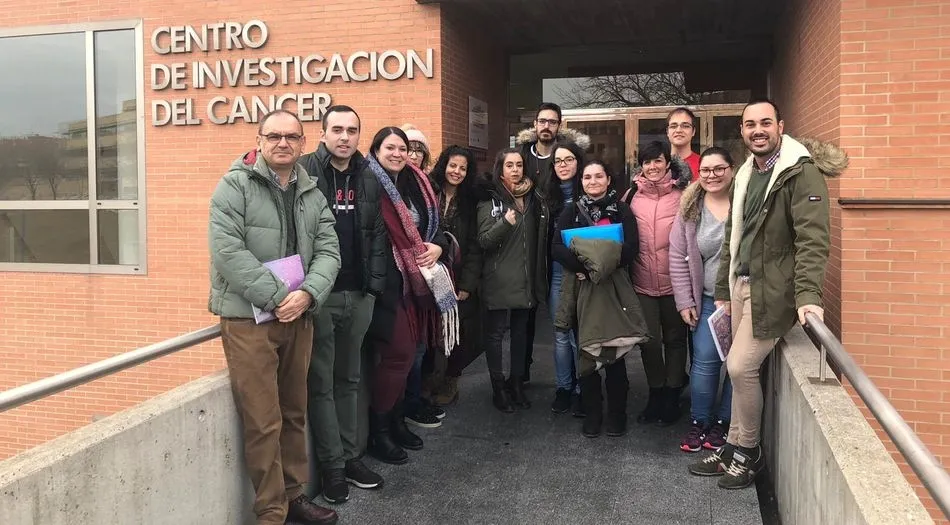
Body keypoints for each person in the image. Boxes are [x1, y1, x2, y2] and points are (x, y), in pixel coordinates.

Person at [688, 98, 844, 489]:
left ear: (780, 126)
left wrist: (808, 295)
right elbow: (733, 236)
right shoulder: (747, 173)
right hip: (741, 284)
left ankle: (750, 450)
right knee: (735, 366)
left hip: (773, 290)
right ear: (742, 131)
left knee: (741, 367)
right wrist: (723, 288)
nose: (758, 130)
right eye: (750, 124)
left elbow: (812, 240)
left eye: (765, 123)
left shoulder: (801, 172)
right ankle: (732, 445)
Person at [208, 109, 341, 525]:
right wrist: (280, 296)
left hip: (298, 316)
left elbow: (329, 251)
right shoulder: (234, 186)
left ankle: (294, 494)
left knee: (294, 411)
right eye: (274, 136)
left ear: (303, 143)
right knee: (263, 421)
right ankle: (271, 512)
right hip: (248, 320)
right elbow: (228, 252)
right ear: (259, 140)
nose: (283, 143)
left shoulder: (312, 192)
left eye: (291, 137)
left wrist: (308, 294)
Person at [299, 105, 386, 505]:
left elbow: (378, 236)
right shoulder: (304, 171)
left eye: (352, 130)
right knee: (321, 384)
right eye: (337, 129)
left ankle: (352, 458)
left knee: (350, 379)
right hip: (320, 296)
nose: (345, 137)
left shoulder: (369, 176)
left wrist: (373, 289)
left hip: (359, 294)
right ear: (323, 133)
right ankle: (332, 466)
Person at [362, 126, 456, 465]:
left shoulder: (418, 182)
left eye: (403, 148)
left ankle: (397, 421)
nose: (398, 153)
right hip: (385, 285)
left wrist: (438, 246)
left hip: (416, 280)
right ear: (376, 150)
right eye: (390, 148)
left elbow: (436, 228)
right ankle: (379, 431)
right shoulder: (367, 182)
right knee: (399, 354)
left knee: (412, 352)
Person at [552, 160, 648, 438]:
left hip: (613, 290)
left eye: (598, 176)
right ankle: (592, 413)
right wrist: (585, 268)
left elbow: (631, 248)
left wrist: (599, 266)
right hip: (581, 290)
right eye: (587, 177)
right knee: (587, 354)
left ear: (608, 179)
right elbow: (556, 248)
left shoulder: (622, 210)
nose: (592, 181)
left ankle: (617, 415)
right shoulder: (571, 211)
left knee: (615, 352)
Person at [514, 102, 588, 383]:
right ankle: (529, 376)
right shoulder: (522, 155)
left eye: (552, 121)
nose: (546, 126)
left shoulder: (581, 181)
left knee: (578, 329)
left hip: (574, 263)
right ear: (534, 124)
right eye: (542, 121)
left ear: (560, 125)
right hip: (536, 253)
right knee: (540, 320)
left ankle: (583, 386)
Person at [669, 147, 736, 453]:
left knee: (739, 366)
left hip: (744, 300)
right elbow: (677, 257)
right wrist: (685, 301)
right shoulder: (690, 208)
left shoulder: (745, 201)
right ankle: (699, 422)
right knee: (705, 362)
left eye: (719, 168)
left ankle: (724, 423)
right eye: (706, 170)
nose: (712, 175)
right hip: (708, 300)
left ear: (732, 169)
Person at [476, 148, 549, 412]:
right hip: (498, 278)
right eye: (510, 165)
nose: (516, 170)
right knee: (495, 335)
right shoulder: (490, 200)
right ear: (500, 170)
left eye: (519, 165)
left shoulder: (534, 198)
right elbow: (484, 240)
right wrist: (505, 223)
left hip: (526, 278)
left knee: (520, 334)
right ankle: (498, 388)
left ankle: (516, 383)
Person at [624, 140, 691, 426]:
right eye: (647, 162)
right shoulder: (631, 195)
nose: (652, 167)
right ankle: (656, 393)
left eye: (658, 161)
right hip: (642, 284)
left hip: (677, 283)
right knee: (649, 342)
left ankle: (673, 393)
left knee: (675, 340)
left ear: (667, 163)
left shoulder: (683, 195)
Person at [427, 146, 484, 406]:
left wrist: (467, 284)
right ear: (444, 165)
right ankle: (430, 378)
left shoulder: (471, 201)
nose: (457, 172)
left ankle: (451, 380)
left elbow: (474, 246)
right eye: (453, 166)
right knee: (431, 328)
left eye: (463, 168)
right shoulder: (429, 191)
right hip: (429, 272)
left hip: (458, 275)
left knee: (456, 330)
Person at [546, 141, 586, 415]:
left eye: (568, 159)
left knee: (579, 336)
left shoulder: (589, 192)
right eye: (558, 160)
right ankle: (563, 388)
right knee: (561, 334)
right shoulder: (546, 198)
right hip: (558, 276)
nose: (563, 165)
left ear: (578, 161)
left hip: (583, 275)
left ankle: (583, 389)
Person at [667, 107, 700, 181]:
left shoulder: (703, 165)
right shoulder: (657, 165)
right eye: (673, 126)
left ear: (693, 131)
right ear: (667, 132)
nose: (678, 130)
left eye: (685, 126)